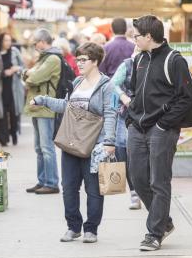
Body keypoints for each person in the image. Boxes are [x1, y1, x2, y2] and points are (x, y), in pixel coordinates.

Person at [32, 42, 116, 243]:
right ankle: (73, 227)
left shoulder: (107, 85)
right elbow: (66, 106)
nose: (79, 63)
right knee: (69, 186)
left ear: (95, 61)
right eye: (77, 59)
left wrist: (109, 141)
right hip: (71, 143)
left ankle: (91, 229)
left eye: (83, 60)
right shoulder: (77, 82)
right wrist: (42, 100)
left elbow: (111, 114)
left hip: (94, 145)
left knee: (93, 189)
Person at [127, 15, 192, 251]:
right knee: (137, 179)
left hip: (161, 130)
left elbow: (186, 98)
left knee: (159, 181)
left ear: (148, 36)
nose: (133, 39)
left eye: (136, 35)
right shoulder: (138, 60)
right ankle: (164, 222)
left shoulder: (174, 60)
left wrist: (163, 124)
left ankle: (154, 233)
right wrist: (130, 118)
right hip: (137, 127)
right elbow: (134, 92)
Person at [23, 28, 62, 195]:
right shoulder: (44, 58)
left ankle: (52, 183)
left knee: (46, 147)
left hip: (46, 107)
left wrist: (28, 74)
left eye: (35, 42)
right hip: (37, 107)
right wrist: (29, 73)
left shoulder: (52, 58)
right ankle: (42, 180)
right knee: (39, 147)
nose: (34, 45)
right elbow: (29, 74)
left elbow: (33, 78)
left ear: (42, 42)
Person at [111, 46, 141, 210]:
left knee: (145, 155)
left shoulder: (154, 63)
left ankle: (145, 190)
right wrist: (123, 96)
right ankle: (135, 194)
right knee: (125, 153)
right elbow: (113, 83)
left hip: (150, 115)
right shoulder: (128, 65)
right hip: (127, 115)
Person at [0, 33, 25, 146]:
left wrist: (16, 69)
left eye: (9, 40)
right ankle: (3, 139)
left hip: (14, 89)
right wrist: (4, 73)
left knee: (14, 114)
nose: (8, 43)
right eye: (6, 40)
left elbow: (23, 67)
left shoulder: (15, 52)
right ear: (0, 42)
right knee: (1, 115)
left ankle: (14, 135)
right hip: (0, 90)